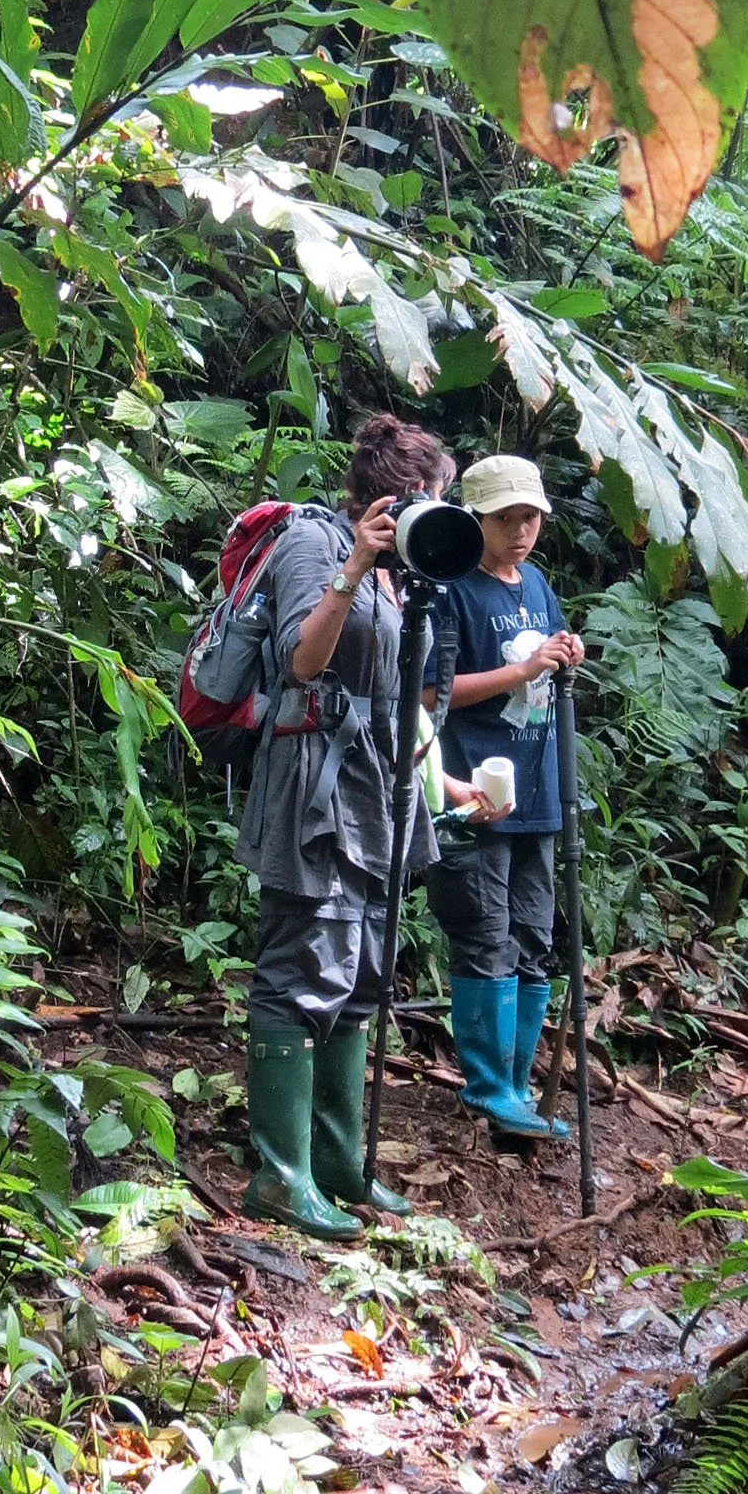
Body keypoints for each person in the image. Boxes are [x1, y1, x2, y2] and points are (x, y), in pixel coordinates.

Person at [236, 415, 501, 1240]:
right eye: (435, 499)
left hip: (383, 793)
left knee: (361, 974)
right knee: (300, 966)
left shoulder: (406, 576)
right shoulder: (315, 543)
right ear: (398, 495)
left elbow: (400, 700)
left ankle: (337, 1163)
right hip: (315, 789)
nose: (441, 516)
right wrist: (354, 565)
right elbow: (301, 663)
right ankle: (279, 1177)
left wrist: (441, 781)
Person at [425, 455, 585, 1140]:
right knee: (484, 934)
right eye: (505, 519)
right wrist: (519, 669)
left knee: (532, 937)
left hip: (538, 793)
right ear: (476, 519)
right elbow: (428, 694)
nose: (521, 531)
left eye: (530, 518)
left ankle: (516, 1088)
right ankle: (488, 1086)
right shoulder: (451, 588)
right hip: (475, 793)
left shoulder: (537, 584)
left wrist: (563, 652)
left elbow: (543, 667)